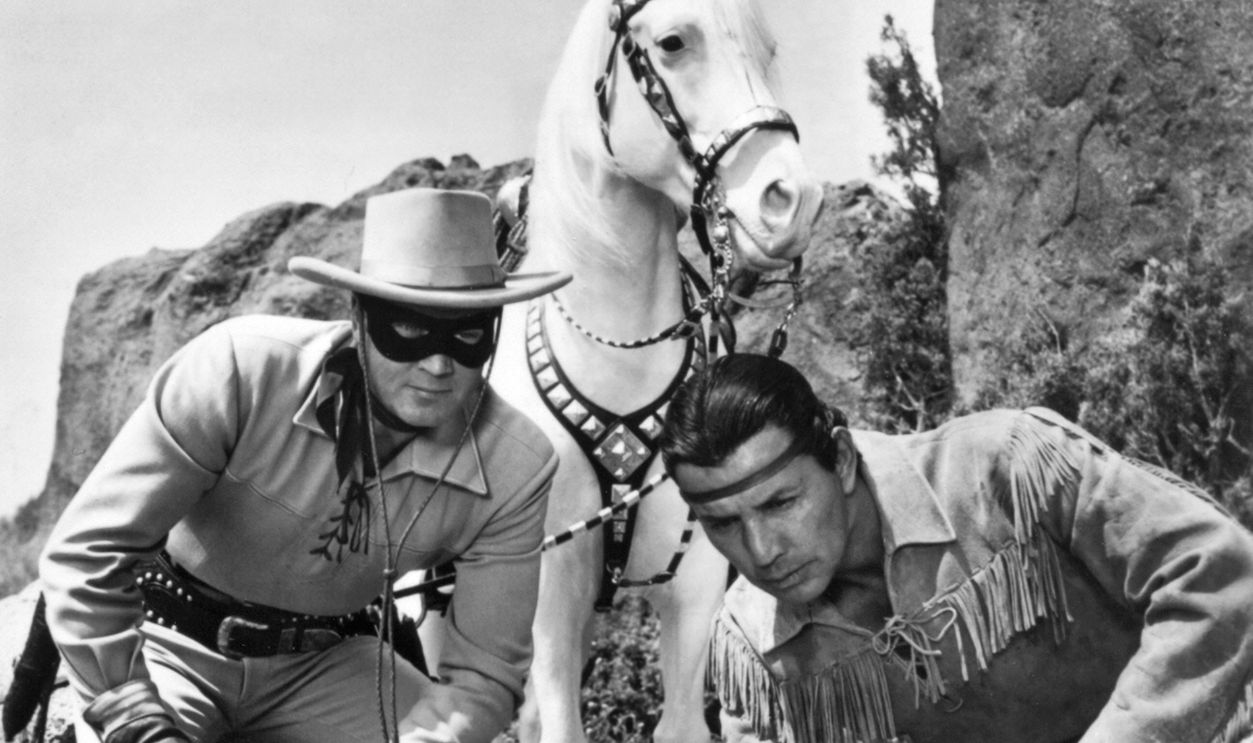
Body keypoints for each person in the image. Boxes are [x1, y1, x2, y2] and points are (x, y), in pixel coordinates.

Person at [39, 187, 572, 743]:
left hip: (330, 666)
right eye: (411, 330)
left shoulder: (518, 467)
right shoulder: (238, 372)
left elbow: (482, 679)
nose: (439, 364)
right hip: (172, 644)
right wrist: (137, 720)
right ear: (359, 316)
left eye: (467, 335)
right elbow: (86, 555)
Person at [658, 353, 1253, 743]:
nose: (761, 552)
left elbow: (1219, 572)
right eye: (723, 524)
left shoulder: (1006, 467)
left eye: (780, 503)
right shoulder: (754, 644)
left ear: (838, 460)